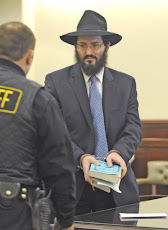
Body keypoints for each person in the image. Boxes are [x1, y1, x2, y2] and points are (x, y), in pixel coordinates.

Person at [45, 10, 142, 215]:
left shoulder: (126, 84)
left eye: (95, 45)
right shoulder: (55, 82)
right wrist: (80, 157)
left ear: (107, 47)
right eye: (82, 45)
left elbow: (133, 128)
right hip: (73, 189)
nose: (88, 51)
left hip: (117, 189)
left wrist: (118, 152)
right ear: (75, 47)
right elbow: (53, 132)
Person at [0, 22, 76, 230]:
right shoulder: (37, 98)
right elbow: (59, 165)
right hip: (13, 210)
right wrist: (66, 219)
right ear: (29, 56)